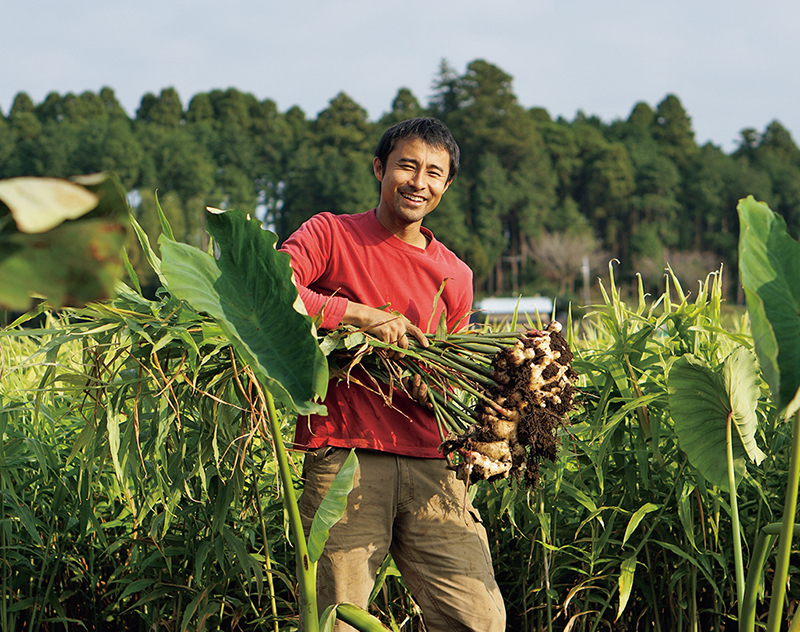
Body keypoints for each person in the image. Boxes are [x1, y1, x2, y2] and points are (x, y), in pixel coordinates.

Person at [280, 117, 506, 631]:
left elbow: (451, 371)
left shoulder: (456, 274)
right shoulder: (331, 234)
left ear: (446, 186)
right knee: (338, 620)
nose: (418, 182)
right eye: (407, 165)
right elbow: (272, 291)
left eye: (433, 173)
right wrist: (360, 315)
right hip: (348, 455)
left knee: (479, 620)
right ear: (380, 168)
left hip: (433, 462)